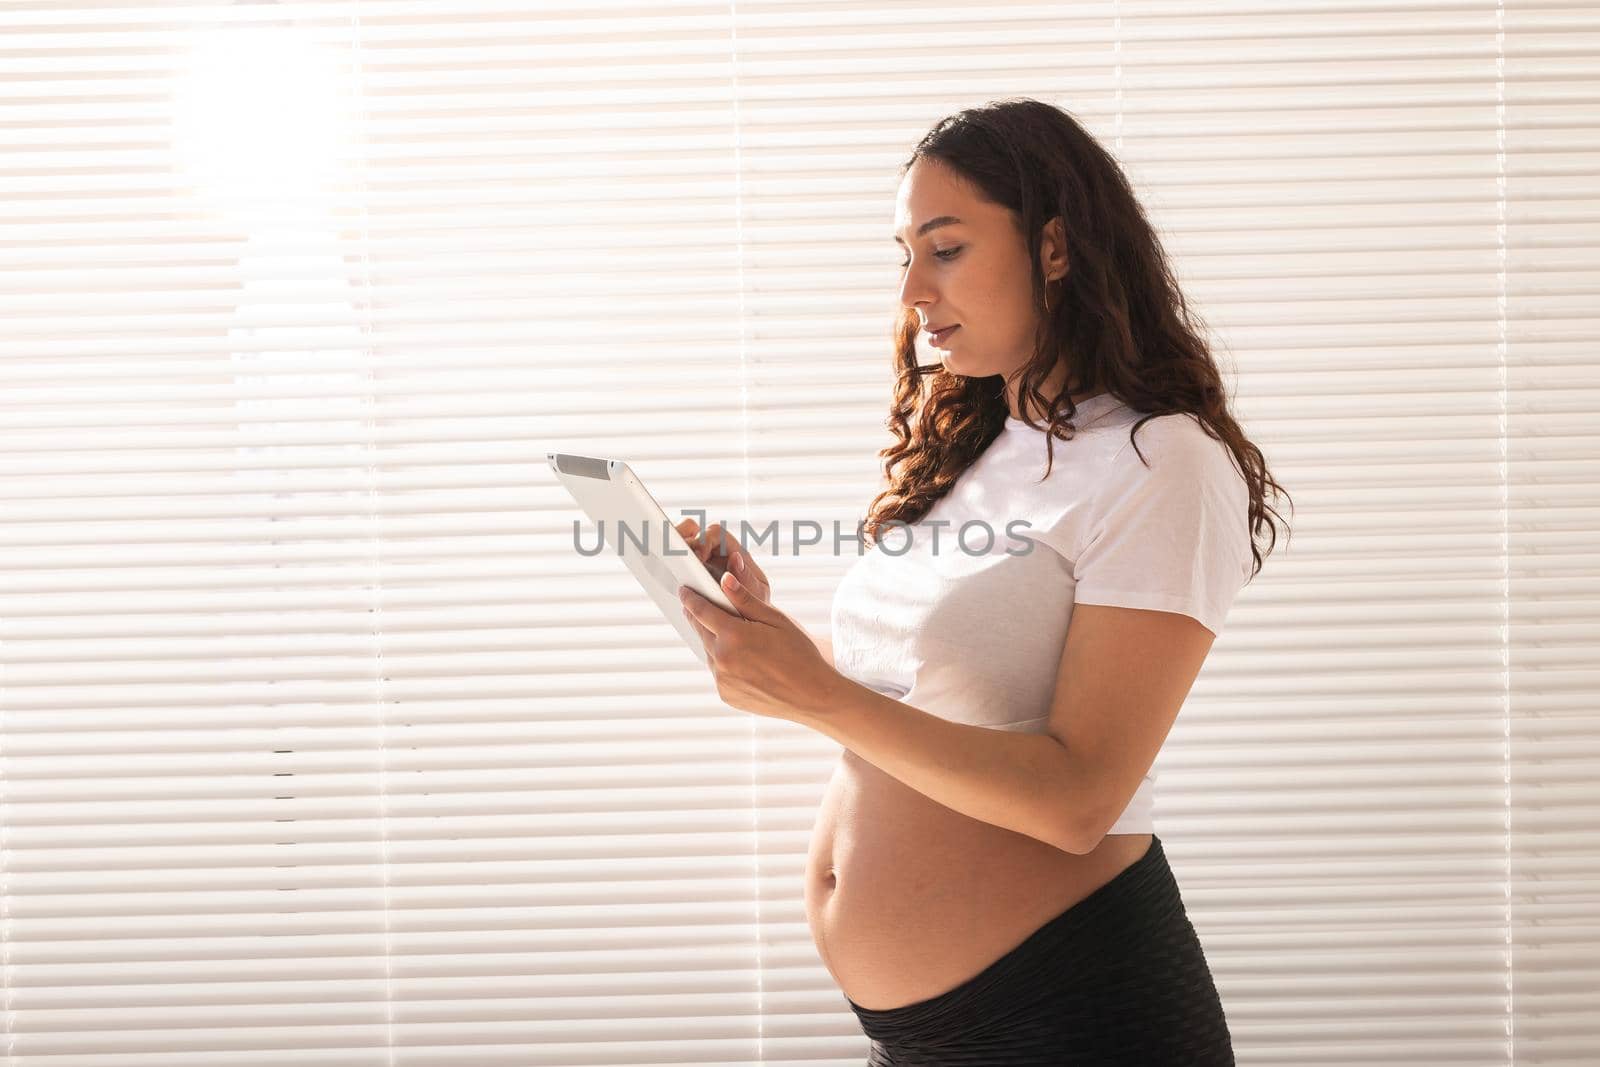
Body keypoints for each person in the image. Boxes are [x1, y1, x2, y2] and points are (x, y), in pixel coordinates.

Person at [681, 97, 1291, 1065]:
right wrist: (777, 643)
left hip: (1074, 1018)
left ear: (1054, 248)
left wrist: (818, 694)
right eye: (903, 254)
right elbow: (945, 688)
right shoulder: (984, 445)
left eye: (946, 248)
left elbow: (1078, 796)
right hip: (921, 1035)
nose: (913, 289)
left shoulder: (1158, 459)